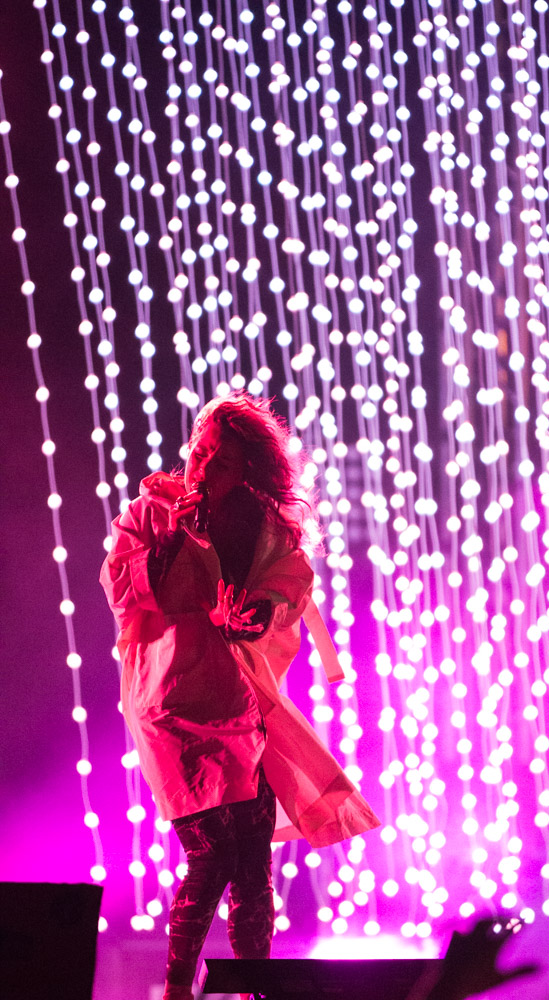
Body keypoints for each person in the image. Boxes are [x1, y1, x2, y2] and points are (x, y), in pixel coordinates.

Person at [100, 392, 380, 1000]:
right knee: (213, 856)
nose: (202, 469)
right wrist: (179, 538)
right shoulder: (152, 511)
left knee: (254, 863)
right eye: (200, 454)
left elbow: (288, 586)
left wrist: (262, 612)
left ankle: (260, 991)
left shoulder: (265, 525)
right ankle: (176, 991)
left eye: (220, 462)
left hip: (237, 704)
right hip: (171, 704)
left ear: (248, 471)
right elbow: (125, 589)